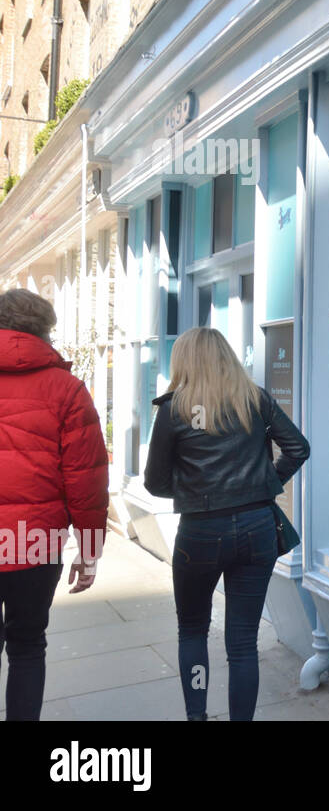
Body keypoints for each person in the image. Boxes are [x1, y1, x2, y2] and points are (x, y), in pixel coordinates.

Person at [144, 327, 309, 721]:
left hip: (199, 532)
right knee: (242, 643)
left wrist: (195, 492)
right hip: (257, 528)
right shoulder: (255, 400)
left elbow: (154, 482)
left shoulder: (174, 410)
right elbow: (298, 448)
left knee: (193, 631)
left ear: (184, 360)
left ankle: (197, 716)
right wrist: (264, 485)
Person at [0, 289, 108, 721]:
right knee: (27, 645)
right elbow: (87, 479)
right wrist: (90, 549)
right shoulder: (67, 389)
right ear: (45, 330)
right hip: (35, 539)